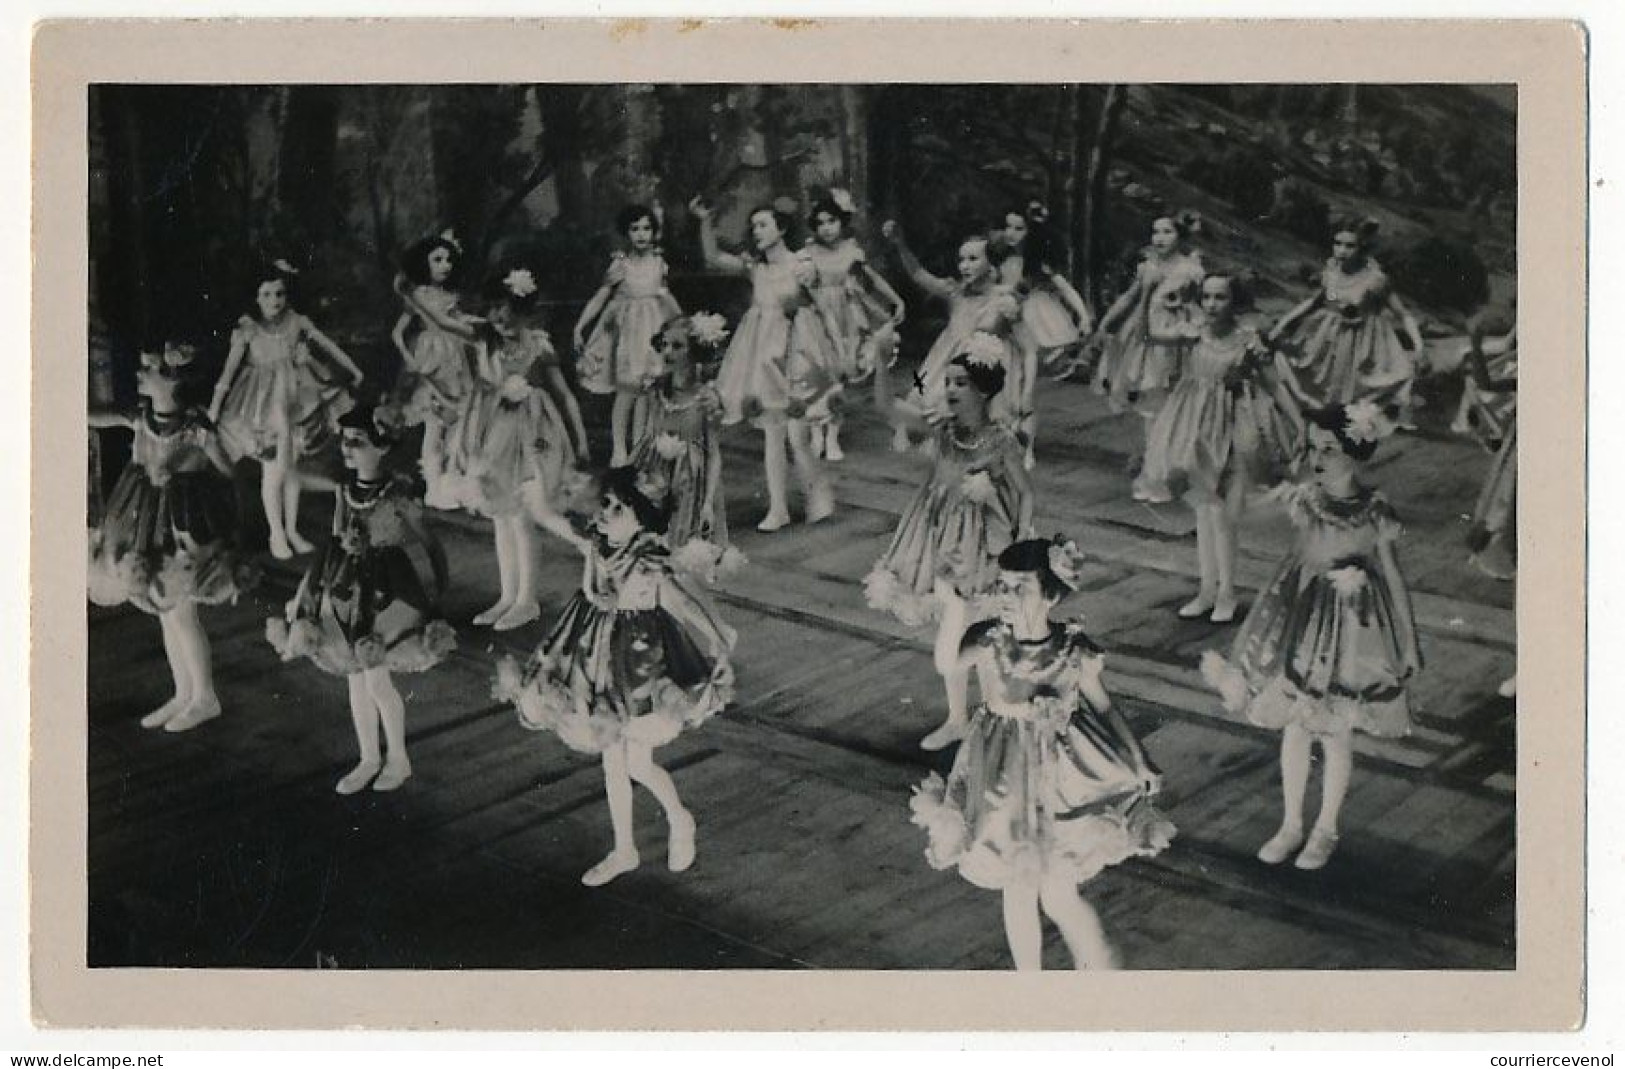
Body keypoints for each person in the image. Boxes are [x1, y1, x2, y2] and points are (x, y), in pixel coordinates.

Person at [911, 537, 1175, 970]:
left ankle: (1099, 962)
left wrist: (1139, 758)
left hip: (1064, 780)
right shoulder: (989, 639)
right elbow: (947, 665)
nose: (1008, 597)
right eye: (1004, 586)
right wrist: (955, 611)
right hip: (1004, 778)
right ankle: (1030, 985)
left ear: (1051, 595)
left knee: (1058, 891)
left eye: (1022, 588)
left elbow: (1104, 706)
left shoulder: (1074, 649)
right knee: (1018, 885)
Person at [1201, 402, 1422, 870]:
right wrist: (1231, 483)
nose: (1316, 458)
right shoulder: (1306, 499)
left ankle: (1326, 828)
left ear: (1356, 452)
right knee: (1298, 725)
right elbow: (1249, 509)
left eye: (1328, 449)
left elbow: (1396, 578)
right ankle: (1291, 824)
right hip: (1300, 622)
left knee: (1335, 728)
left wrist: (1409, 642)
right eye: (1311, 447)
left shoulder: (1374, 511)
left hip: (1352, 630)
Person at [494, 466, 737, 886]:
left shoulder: (649, 557)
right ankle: (624, 849)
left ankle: (680, 819)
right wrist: (536, 485)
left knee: (638, 763)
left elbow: (685, 599)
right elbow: (556, 522)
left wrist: (717, 640)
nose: (605, 513)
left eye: (618, 508)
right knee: (612, 759)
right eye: (605, 505)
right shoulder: (597, 545)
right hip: (592, 655)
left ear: (642, 517)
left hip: (638, 663)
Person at [266, 400, 455, 794]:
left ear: (382, 447)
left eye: (357, 441)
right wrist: (305, 595)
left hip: (388, 595)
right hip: (345, 591)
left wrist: (438, 593)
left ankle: (399, 759)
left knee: (376, 681)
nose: (347, 449)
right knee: (355, 680)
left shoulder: (398, 493)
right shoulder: (346, 490)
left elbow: (430, 544)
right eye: (345, 441)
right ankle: (369, 757)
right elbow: (331, 547)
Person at [865, 337, 1033, 750]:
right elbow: (887, 409)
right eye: (949, 382)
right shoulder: (943, 431)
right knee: (959, 623)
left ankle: (997, 712)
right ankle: (959, 717)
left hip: (982, 542)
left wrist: (1020, 541)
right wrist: (882, 364)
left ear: (982, 391)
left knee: (974, 626)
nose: (950, 390)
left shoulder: (1001, 440)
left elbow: (1025, 493)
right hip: (936, 536)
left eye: (960, 383)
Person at [90, 343, 255, 733]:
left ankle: (205, 696)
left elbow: (228, 472)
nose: (139, 373)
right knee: (164, 609)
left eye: (149, 370)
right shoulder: (141, 415)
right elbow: (97, 416)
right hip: (144, 516)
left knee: (181, 611)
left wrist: (189, 465)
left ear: (172, 382)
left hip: (185, 524)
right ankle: (183, 693)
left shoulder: (195, 425)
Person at [1135, 273, 1301, 623]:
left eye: (1220, 298)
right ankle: (1206, 590)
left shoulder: (1248, 342)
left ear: (1234, 302)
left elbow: (1275, 386)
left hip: (1231, 426)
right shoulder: (1193, 332)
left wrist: (1300, 426)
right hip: (1192, 424)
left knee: (1222, 512)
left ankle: (1227, 593)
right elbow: (1148, 336)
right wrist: (1148, 292)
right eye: (1206, 298)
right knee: (1202, 510)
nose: (1211, 305)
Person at [691, 196, 844, 532]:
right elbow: (713, 257)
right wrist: (704, 221)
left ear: (782, 229)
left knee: (798, 435)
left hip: (796, 354)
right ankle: (778, 508)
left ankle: (818, 495)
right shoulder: (756, 267)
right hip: (762, 354)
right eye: (754, 226)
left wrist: (837, 355)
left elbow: (822, 309)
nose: (757, 231)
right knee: (772, 432)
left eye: (764, 224)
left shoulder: (800, 264)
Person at [451, 266, 590, 630]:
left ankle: (527, 600)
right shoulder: (485, 341)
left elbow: (564, 395)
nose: (498, 315)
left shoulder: (539, 346)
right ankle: (507, 596)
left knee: (525, 514)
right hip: (494, 434)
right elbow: (444, 323)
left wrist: (582, 442)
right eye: (493, 307)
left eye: (506, 307)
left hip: (533, 435)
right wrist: (411, 295)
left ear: (525, 308)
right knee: (502, 515)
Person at [209, 259, 364, 559]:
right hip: (261, 405)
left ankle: (292, 530)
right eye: (266, 295)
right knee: (274, 472)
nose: (274, 301)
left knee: (290, 469)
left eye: (279, 294)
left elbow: (329, 346)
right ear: (255, 297)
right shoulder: (248, 329)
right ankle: (276, 534)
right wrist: (215, 408)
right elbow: (228, 373)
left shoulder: (296, 322)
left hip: (295, 398)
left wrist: (353, 369)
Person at [878, 219, 1021, 452]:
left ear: (990, 263)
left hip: (982, 360)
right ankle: (938, 439)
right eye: (961, 259)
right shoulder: (955, 292)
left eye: (973, 259)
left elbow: (1007, 334)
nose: (964, 265)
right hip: (944, 358)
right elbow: (919, 275)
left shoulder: (1001, 298)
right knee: (926, 395)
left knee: (977, 410)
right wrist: (900, 244)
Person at [1268, 216, 1426, 424]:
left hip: (1361, 342)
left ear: (1361, 248)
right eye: (1338, 244)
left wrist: (1418, 345)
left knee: (1372, 385)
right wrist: (1283, 323)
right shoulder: (1331, 272)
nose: (1341, 251)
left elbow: (1403, 314)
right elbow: (1313, 302)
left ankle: (1355, 421)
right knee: (1302, 369)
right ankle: (1320, 417)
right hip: (1326, 336)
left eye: (1349, 246)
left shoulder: (1375, 280)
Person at [631, 313, 745, 585]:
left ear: (694, 352)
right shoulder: (654, 390)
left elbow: (714, 454)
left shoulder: (706, 398)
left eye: (678, 346)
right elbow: (642, 438)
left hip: (689, 483)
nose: (668, 352)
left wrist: (708, 503)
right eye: (665, 345)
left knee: (682, 565)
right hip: (655, 476)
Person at [799, 190, 907, 461]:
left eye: (831, 221)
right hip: (817, 316)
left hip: (846, 317)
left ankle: (833, 436)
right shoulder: (809, 252)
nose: (826, 228)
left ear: (842, 222)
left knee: (840, 376)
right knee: (817, 374)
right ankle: (815, 432)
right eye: (821, 223)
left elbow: (872, 278)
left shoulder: (851, 251)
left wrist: (897, 300)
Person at [573, 205, 683, 466]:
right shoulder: (621, 265)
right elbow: (601, 296)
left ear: (654, 232)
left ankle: (640, 448)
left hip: (654, 330)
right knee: (626, 391)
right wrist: (580, 326)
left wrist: (682, 324)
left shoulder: (659, 263)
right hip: (627, 332)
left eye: (646, 228)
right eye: (635, 229)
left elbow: (666, 297)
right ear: (627, 233)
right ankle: (619, 450)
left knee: (648, 390)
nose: (641, 234)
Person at [391, 230, 482, 508]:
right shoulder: (418, 294)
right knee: (434, 423)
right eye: (438, 260)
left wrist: (478, 323)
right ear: (424, 264)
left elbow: (455, 319)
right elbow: (397, 333)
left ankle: (451, 482)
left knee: (458, 418)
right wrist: (410, 357)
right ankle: (432, 487)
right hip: (431, 360)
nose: (445, 265)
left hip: (455, 358)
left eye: (448, 260)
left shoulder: (449, 294)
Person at [1084, 212, 1204, 421]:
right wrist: (1105, 324)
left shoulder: (1190, 269)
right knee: (1145, 385)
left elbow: (1197, 305)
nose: (1159, 238)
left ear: (1180, 236)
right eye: (1155, 232)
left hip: (1173, 333)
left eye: (1167, 232)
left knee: (1172, 386)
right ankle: (1155, 438)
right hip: (1143, 328)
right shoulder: (1148, 267)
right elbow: (1130, 298)